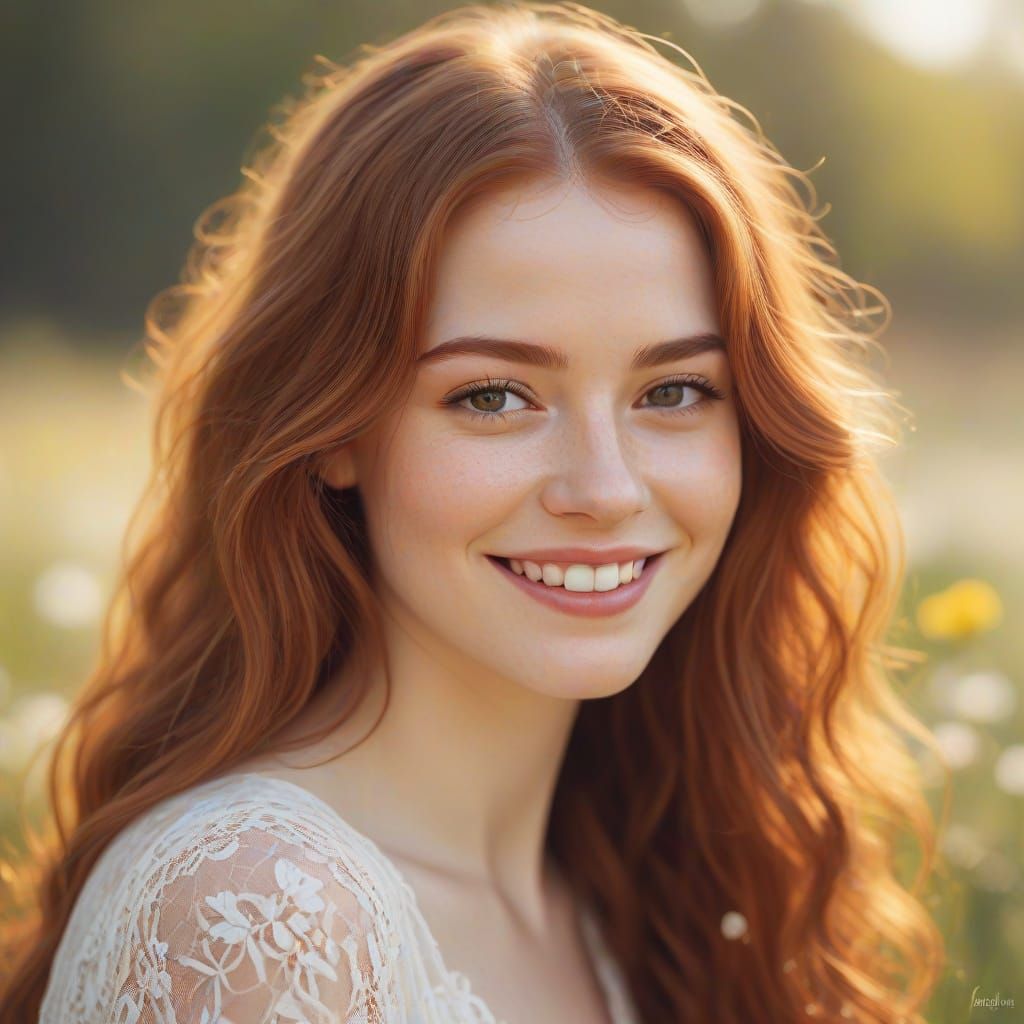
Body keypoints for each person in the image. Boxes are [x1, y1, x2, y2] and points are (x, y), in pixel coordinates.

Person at [0, 2, 946, 1021]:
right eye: (494, 396)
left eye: (673, 391)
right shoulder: (258, 919)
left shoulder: (632, 889)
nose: (606, 489)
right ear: (332, 429)